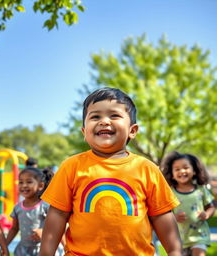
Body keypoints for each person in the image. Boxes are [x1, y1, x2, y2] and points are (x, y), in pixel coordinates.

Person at [40, 87, 182, 256]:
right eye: (95, 116)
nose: (104, 121)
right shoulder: (71, 166)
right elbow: (57, 214)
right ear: (84, 132)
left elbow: (162, 216)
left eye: (114, 115)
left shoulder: (147, 169)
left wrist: (175, 251)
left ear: (132, 130)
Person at [161, 151, 215, 256]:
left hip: (199, 235)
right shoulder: (170, 192)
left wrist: (207, 214)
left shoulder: (201, 190)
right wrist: (173, 218)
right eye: (177, 169)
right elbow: (164, 213)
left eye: (186, 167)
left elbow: (212, 207)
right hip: (178, 238)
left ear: (194, 171)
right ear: (172, 174)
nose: (182, 171)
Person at [6, 167, 51, 256]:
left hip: (42, 249)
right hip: (23, 250)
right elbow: (14, 228)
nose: (24, 185)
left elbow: (56, 227)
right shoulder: (18, 208)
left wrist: (43, 232)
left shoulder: (45, 206)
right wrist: (5, 245)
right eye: (21, 182)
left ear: (40, 186)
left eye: (29, 182)